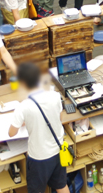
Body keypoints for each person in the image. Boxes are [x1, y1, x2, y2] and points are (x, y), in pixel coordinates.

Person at [8, 62, 70, 193]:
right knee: (61, 185)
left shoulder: (23, 106)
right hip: (58, 150)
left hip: (39, 158)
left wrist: (25, 120)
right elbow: (59, 118)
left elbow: (11, 133)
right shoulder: (55, 95)